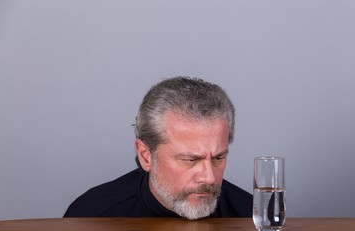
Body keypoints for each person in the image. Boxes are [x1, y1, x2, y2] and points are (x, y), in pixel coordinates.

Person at [64, 76, 252, 219]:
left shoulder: (250, 217)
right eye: (190, 160)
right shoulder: (90, 217)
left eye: (218, 158)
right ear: (146, 156)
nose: (209, 178)